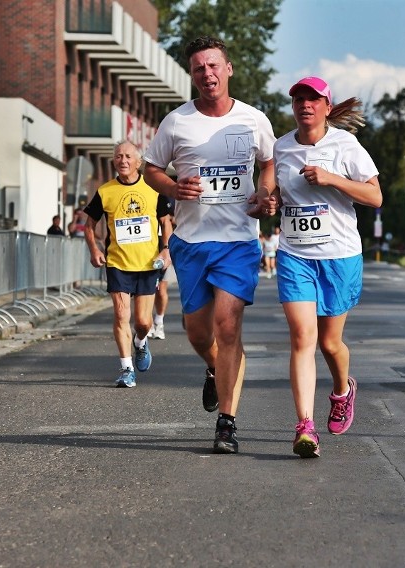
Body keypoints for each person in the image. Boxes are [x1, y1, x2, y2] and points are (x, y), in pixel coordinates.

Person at [143, 35, 276, 454]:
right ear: (192, 75)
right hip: (191, 241)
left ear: (229, 68)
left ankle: (227, 423)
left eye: (214, 65)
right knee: (199, 334)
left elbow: (270, 162)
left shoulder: (253, 119)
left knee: (227, 325)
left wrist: (265, 190)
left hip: (238, 240)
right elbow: (150, 170)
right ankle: (213, 368)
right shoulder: (177, 121)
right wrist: (174, 185)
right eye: (199, 68)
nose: (208, 74)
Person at [257, 76, 381, 458]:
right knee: (301, 338)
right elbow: (271, 193)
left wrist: (332, 179)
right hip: (296, 255)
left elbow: (375, 196)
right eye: (298, 100)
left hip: (339, 255)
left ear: (327, 107)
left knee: (329, 343)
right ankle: (304, 426)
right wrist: (270, 201)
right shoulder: (282, 147)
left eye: (313, 100)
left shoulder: (345, 145)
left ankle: (343, 389)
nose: (305, 105)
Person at [83, 140, 173, 388]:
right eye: (118, 156)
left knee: (143, 322)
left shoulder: (154, 188)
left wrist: (166, 250)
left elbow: (166, 222)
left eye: (128, 157)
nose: (122, 161)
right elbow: (88, 225)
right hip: (117, 262)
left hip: (147, 264)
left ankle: (141, 342)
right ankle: (126, 369)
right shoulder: (105, 191)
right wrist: (94, 249)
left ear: (139, 162)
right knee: (122, 314)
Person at [149, 196, 177, 340]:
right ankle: (147, 323)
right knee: (144, 290)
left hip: (164, 248)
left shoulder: (167, 196)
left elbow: (176, 219)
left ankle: (159, 322)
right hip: (146, 248)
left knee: (161, 289)